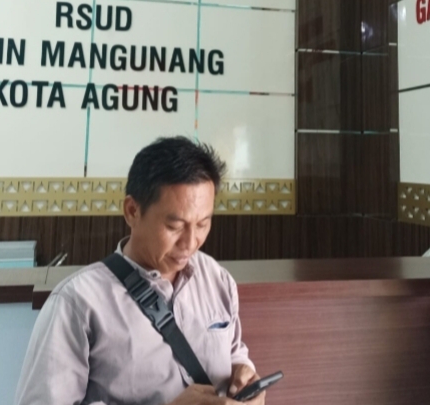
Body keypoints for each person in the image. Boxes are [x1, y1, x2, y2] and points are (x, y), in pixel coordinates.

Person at [15, 136, 264, 405]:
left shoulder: (217, 279)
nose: (191, 242)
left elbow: (233, 352)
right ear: (132, 211)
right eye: (175, 226)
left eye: (203, 224)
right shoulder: (77, 303)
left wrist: (244, 375)